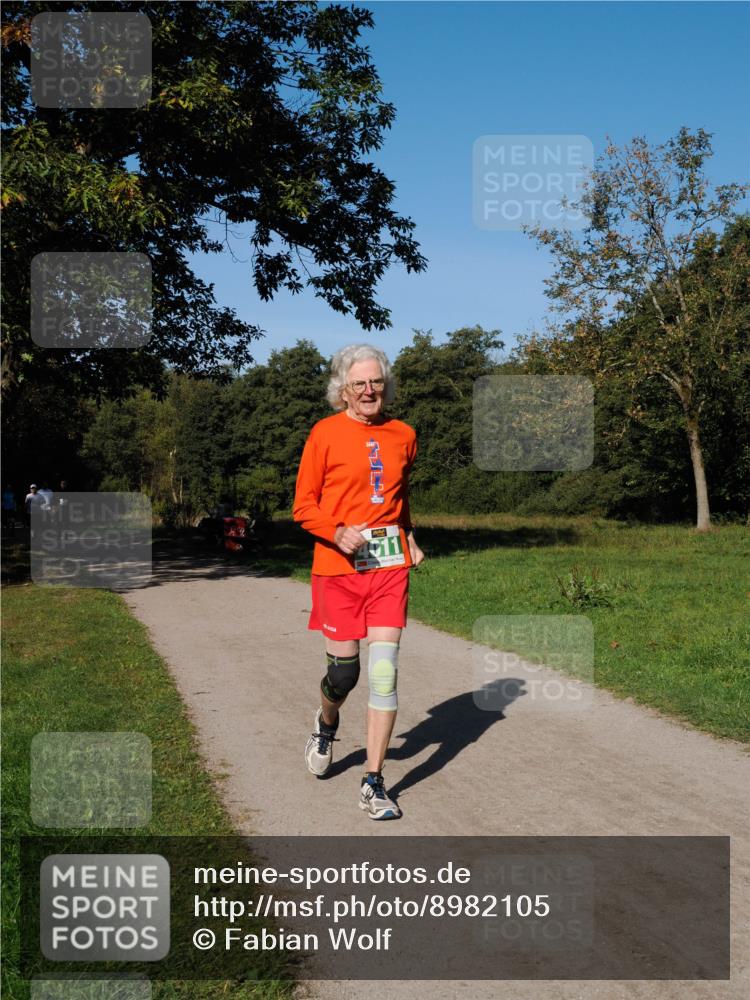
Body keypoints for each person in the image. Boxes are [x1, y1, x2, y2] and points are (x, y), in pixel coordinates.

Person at [293, 343, 425, 820]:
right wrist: (336, 531)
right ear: (343, 391)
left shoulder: (404, 435)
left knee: (385, 672)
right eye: (359, 384)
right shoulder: (324, 434)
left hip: (388, 569)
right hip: (337, 570)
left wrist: (409, 535)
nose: (369, 391)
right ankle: (326, 725)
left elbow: (399, 495)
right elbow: (303, 504)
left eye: (376, 382)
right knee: (345, 674)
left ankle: (373, 781)